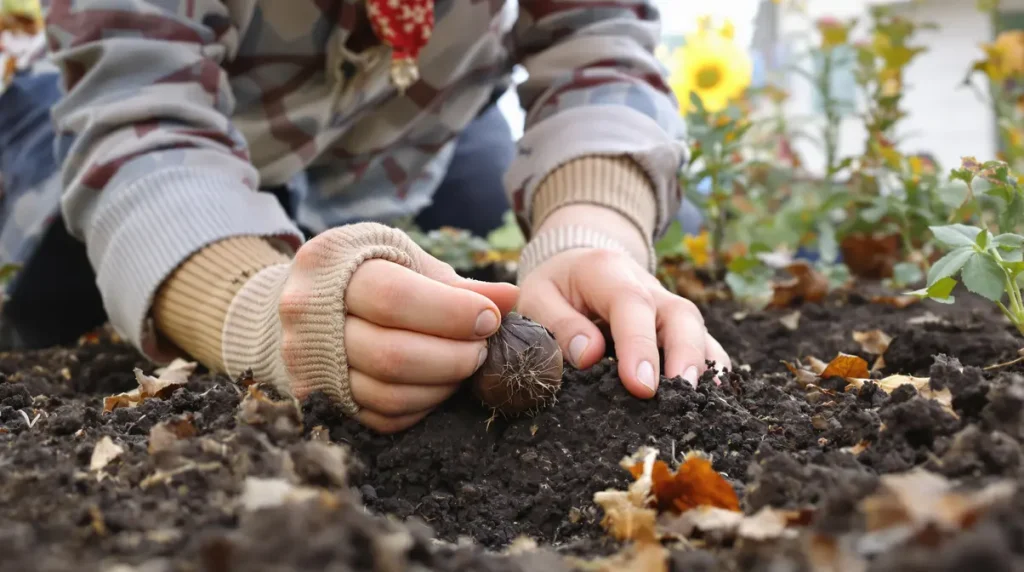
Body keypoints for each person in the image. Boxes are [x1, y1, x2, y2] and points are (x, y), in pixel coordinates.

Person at [1, 0, 731, 433]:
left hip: (411, 124)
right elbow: (140, 124)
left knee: (651, 216)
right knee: (53, 306)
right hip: (184, 123)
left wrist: (589, 231)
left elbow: (599, 47)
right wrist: (255, 311)